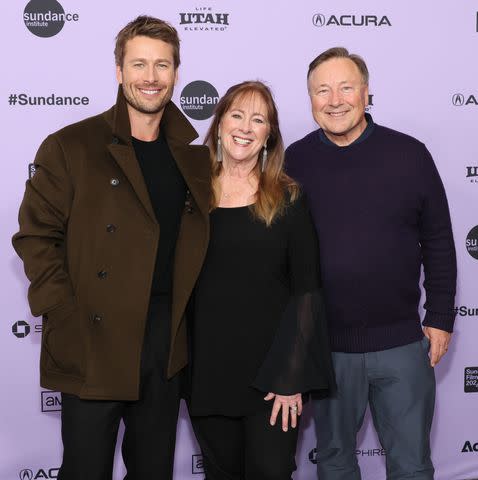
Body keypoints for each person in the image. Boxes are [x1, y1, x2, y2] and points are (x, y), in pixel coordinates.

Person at [12, 16, 210, 480]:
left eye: (162, 65)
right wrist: (64, 312)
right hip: (92, 339)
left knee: (153, 471)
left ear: (176, 73)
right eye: (138, 63)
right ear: (119, 71)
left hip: (163, 345)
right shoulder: (71, 146)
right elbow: (35, 235)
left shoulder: (194, 156)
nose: (151, 77)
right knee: (85, 470)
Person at [285, 47, 457, 480]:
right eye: (322, 90)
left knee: (412, 465)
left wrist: (439, 316)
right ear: (310, 99)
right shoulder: (294, 162)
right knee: (336, 463)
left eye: (346, 87)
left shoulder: (410, 155)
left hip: (402, 345)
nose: (335, 99)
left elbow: (438, 239)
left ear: (366, 93)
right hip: (327, 348)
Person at [187, 80, 335, 480]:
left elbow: (307, 291)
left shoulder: (289, 198)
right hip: (207, 374)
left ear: (269, 135)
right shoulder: (191, 197)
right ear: (219, 124)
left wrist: (290, 377)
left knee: (271, 472)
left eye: (259, 120)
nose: (246, 127)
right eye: (237, 115)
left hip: (272, 380)